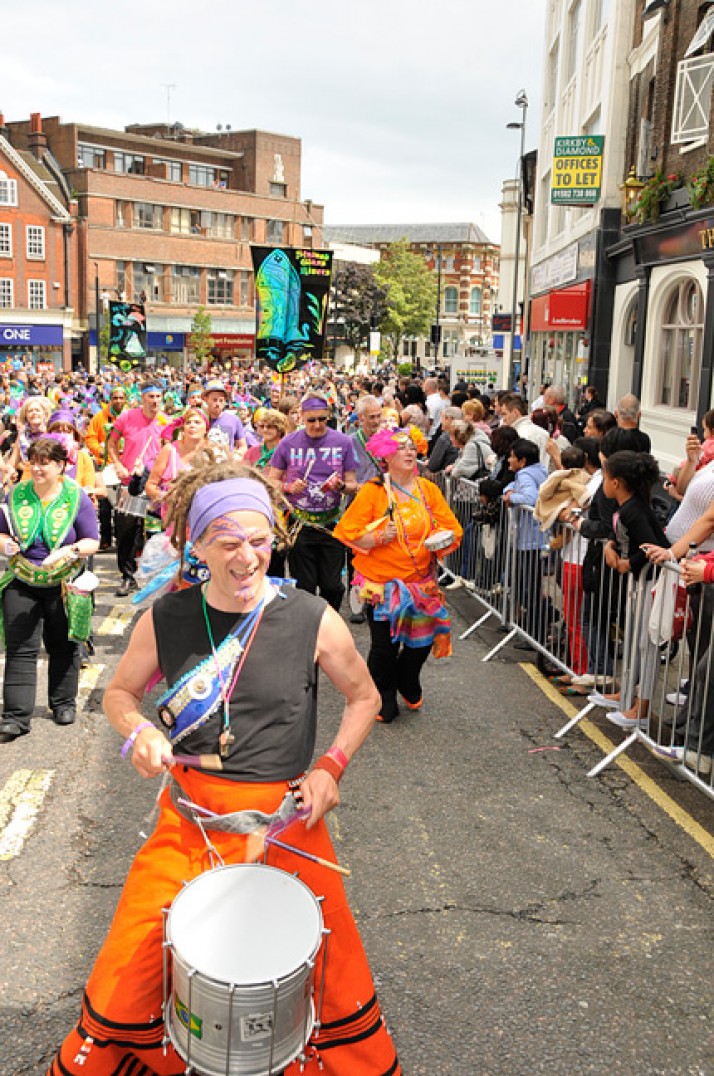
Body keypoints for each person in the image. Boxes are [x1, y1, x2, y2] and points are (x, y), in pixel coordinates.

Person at [48, 460, 400, 1076]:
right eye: (229, 543)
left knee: (322, 968)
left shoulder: (311, 617)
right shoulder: (166, 618)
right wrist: (140, 735)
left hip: (287, 826)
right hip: (188, 822)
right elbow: (118, 695)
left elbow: (365, 697)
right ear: (197, 544)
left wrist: (330, 769)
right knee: (133, 959)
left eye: (261, 542)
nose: (247, 558)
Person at [333, 426, 462, 722]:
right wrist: (378, 537)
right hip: (382, 584)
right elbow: (347, 532)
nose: (408, 451)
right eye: (400, 447)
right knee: (384, 648)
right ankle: (383, 695)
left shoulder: (428, 490)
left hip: (421, 583)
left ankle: (407, 680)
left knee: (421, 643)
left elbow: (452, 528)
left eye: (411, 446)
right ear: (385, 457)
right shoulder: (373, 491)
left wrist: (439, 541)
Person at [0, 437, 99, 741]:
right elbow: (0, 533)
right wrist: (5, 544)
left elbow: (92, 540)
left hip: (63, 580)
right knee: (20, 648)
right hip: (22, 578)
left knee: (63, 644)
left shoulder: (76, 496)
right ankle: (15, 717)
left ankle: (63, 703)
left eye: (45, 463)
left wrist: (70, 551)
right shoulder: (14, 494)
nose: (38, 468)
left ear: (61, 466)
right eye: (34, 462)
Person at [269, 394, 358, 611]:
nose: (317, 425)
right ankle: (308, 628)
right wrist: (289, 488)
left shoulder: (343, 442)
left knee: (332, 586)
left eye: (322, 419)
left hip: (332, 525)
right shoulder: (288, 443)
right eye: (311, 420)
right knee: (304, 587)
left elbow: (353, 484)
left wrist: (341, 487)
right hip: (300, 525)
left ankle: (329, 623)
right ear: (301, 417)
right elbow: (270, 481)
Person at [599, 451, 668, 728]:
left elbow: (652, 544)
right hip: (638, 583)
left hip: (650, 582)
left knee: (646, 644)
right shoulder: (629, 506)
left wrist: (630, 562)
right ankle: (626, 694)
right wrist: (611, 545)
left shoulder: (634, 509)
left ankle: (642, 707)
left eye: (605, 477)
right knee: (635, 642)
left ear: (615, 482)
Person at [107, 383, 166, 597]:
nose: (155, 401)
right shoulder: (127, 417)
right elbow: (111, 442)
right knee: (126, 531)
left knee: (155, 531)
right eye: (151, 396)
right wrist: (118, 464)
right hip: (129, 479)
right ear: (142, 398)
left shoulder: (166, 422)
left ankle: (153, 573)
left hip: (155, 481)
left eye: (158, 396)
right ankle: (127, 576)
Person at [144, 406, 211, 519]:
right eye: (188, 422)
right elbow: (150, 486)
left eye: (197, 422)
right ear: (183, 427)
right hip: (172, 519)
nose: (192, 425)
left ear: (206, 428)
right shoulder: (169, 450)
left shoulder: (212, 453)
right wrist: (167, 497)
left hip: (202, 517)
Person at [84, 386, 128, 550]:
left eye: (121, 398)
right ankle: (106, 538)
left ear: (125, 400)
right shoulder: (99, 417)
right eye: (115, 398)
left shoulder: (130, 416)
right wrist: (101, 452)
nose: (118, 401)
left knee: (122, 506)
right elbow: (90, 438)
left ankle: (122, 538)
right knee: (104, 506)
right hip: (104, 466)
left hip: (124, 466)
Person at [203, 379, 247, 458]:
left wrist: (237, 455)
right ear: (206, 399)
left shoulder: (234, 420)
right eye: (214, 400)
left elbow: (243, 446)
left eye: (221, 400)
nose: (218, 404)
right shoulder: (200, 419)